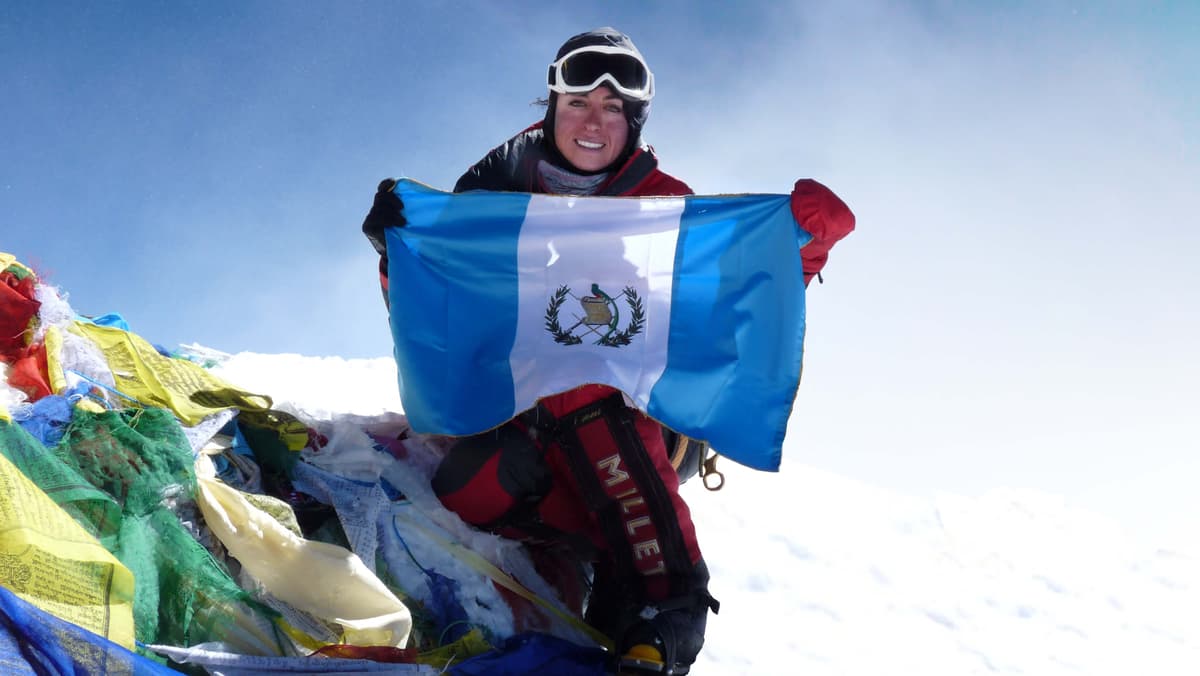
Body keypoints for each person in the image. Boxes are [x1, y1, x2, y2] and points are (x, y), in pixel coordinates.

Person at [362, 27, 855, 674]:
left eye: (613, 108)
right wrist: (399, 256)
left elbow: (729, 294)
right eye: (578, 103)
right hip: (523, 431)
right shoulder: (494, 197)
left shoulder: (663, 207)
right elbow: (447, 315)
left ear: (633, 122)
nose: (594, 121)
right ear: (551, 111)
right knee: (464, 490)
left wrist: (799, 245)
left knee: (587, 391)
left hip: (632, 426)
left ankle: (659, 615)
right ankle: (557, 580)